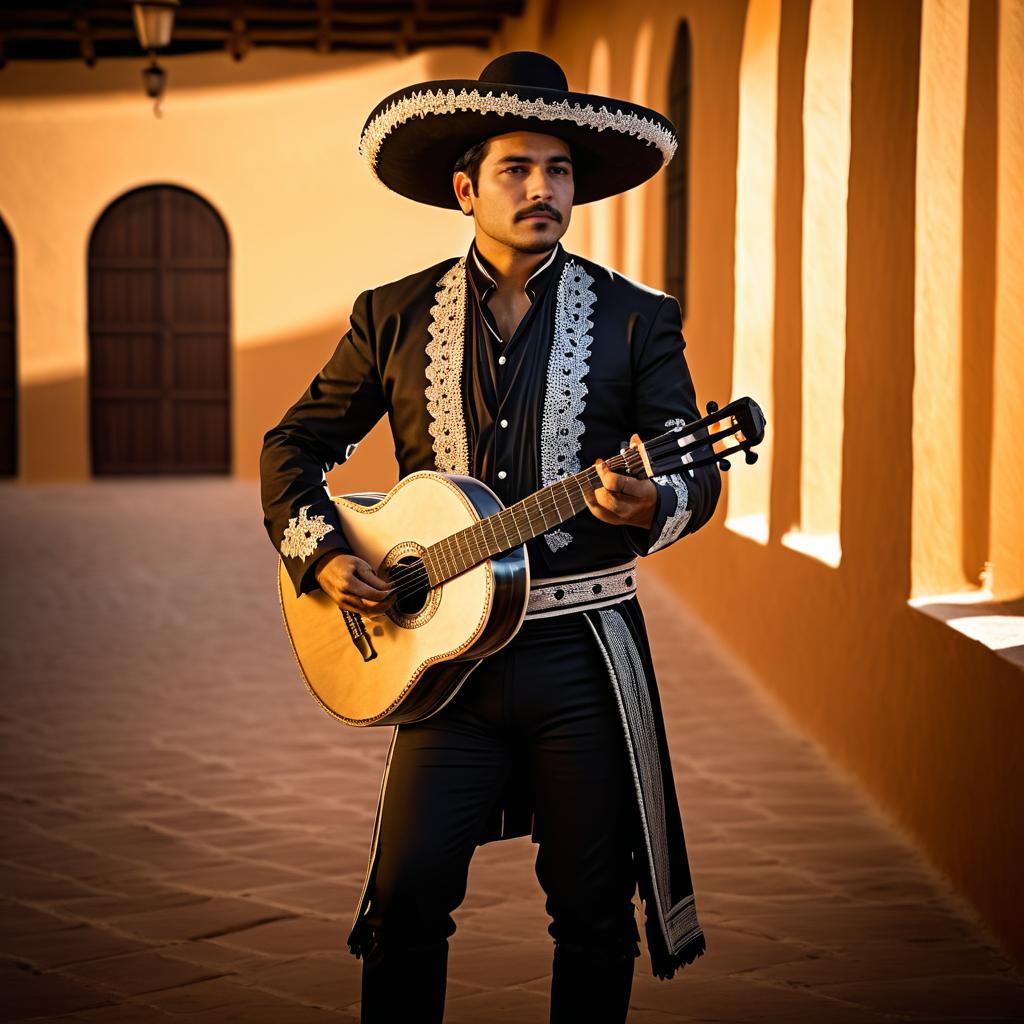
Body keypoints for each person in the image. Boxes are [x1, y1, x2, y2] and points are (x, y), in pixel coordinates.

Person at [260, 50, 721, 1024]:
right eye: (516, 168)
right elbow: (295, 444)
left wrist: (655, 502)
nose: (542, 188)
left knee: (595, 913)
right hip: (442, 669)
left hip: (582, 658)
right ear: (465, 186)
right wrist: (325, 554)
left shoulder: (639, 322)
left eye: (558, 170)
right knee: (404, 902)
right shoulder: (391, 315)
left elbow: (694, 469)